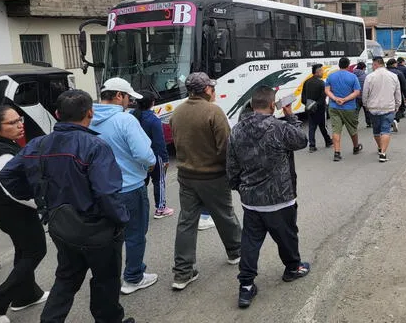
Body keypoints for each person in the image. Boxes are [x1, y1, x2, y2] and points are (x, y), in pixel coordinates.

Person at [0, 91, 134, 323]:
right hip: (98, 229)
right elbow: (106, 194)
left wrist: (38, 197)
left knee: (66, 278)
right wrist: (121, 219)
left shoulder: (38, 144)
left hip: (61, 226)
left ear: (58, 114)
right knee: (105, 280)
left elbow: (8, 174)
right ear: (90, 112)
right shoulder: (95, 146)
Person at [227, 86, 310, 309]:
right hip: (280, 197)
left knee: (250, 242)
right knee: (287, 236)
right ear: (272, 105)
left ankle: (245, 286)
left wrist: (240, 187)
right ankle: (293, 268)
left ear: (252, 105)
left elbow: (232, 166)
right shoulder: (279, 127)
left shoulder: (236, 130)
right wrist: (290, 113)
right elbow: (302, 140)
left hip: (251, 200)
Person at [170, 72, 242, 291]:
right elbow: (226, 147)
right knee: (224, 214)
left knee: (186, 222)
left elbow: (176, 142)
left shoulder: (177, 112)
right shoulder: (213, 111)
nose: (214, 90)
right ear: (207, 90)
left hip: (186, 175)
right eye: (212, 87)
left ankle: (182, 273)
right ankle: (236, 251)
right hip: (212, 175)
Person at [90, 78, 158, 295]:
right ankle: (133, 277)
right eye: (128, 97)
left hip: (100, 190)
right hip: (130, 187)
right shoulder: (125, 120)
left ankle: (107, 278)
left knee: (108, 236)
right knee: (135, 234)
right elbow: (143, 154)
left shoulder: (88, 118)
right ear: (119, 96)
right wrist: (150, 164)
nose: (130, 103)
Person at [0, 107, 47, 322]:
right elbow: (12, 189)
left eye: (19, 119)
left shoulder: (0, 145)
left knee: (24, 252)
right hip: (14, 212)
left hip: (7, 212)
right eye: (12, 123)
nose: (20, 125)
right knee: (35, 251)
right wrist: (41, 204)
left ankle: (26, 296)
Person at [131, 91, 174, 219]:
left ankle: (137, 209)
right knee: (158, 181)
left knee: (141, 182)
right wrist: (165, 159)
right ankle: (160, 208)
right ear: (152, 103)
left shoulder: (131, 116)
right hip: (154, 155)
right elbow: (160, 142)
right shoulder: (154, 120)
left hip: (137, 156)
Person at [363, 57, 401, 163]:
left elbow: (365, 93)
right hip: (388, 107)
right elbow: (397, 93)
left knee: (376, 130)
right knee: (385, 130)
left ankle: (380, 147)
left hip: (373, 108)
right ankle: (383, 153)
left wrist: (366, 104)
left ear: (375, 64)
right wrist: (397, 105)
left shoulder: (369, 77)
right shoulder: (394, 76)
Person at [325, 57, 362, 162]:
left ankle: (337, 152)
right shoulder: (353, 77)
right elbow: (357, 92)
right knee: (352, 128)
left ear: (339, 65)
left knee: (336, 130)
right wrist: (345, 99)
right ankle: (355, 147)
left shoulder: (331, 76)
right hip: (349, 107)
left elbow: (327, 90)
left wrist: (335, 99)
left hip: (334, 107)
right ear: (348, 65)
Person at [302, 64, 333, 152]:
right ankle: (328, 141)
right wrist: (316, 104)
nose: (323, 72)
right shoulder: (321, 83)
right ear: (318, 72)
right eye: (322, 71)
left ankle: (312, 145)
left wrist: (308, 104)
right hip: (320, 108)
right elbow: (323, 97)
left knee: (312, 127)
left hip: (309, 108)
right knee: (323, 125)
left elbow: (303, 96)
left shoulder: (306, 82)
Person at [386, 59, 406, 130]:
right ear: (394, 64)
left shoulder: (385, 73)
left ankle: (389, 123)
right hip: (398, 93)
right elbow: (404, 85)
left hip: (386, 94)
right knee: (400, 107)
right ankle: (396, 119)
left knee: (387, 109)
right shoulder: (399, 73)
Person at [353, 62, 371, 128]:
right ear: (363, 68)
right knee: (367, 111)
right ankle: (369, 123)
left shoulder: (352, 75)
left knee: (355, 112)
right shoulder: (366, 76)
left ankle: (354, 124)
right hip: (365, 96)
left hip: (355, 96)